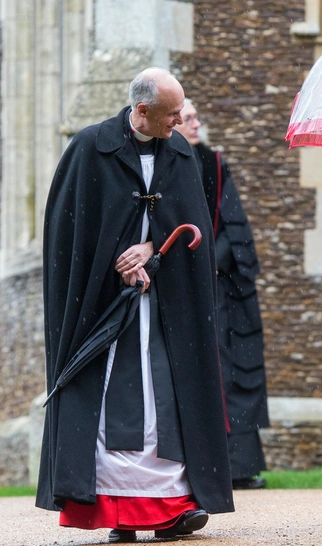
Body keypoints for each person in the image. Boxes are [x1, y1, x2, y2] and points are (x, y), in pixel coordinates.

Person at [37, 68, 234, 544]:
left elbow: (194, 228)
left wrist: (152, 250)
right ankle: (115, 509)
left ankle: (171, 507)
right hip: (106, 312)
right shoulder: (91, 149)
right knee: (115, 404)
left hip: (166, 308)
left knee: (165, 397)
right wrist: (114, 263)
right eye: (171, 115)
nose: (180, 122)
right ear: (141, 111)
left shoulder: (180, 153)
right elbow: (70, 238)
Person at [175, 99, 270, 490]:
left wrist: (215, 262)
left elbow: (232, 222)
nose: (198, 122)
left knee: (233, 369)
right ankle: (192, 467)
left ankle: (238, 466)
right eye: (189, 117)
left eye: (197, 115)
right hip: (179, 286)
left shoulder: (213, 164)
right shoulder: (161, 166)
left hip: (221, 287)